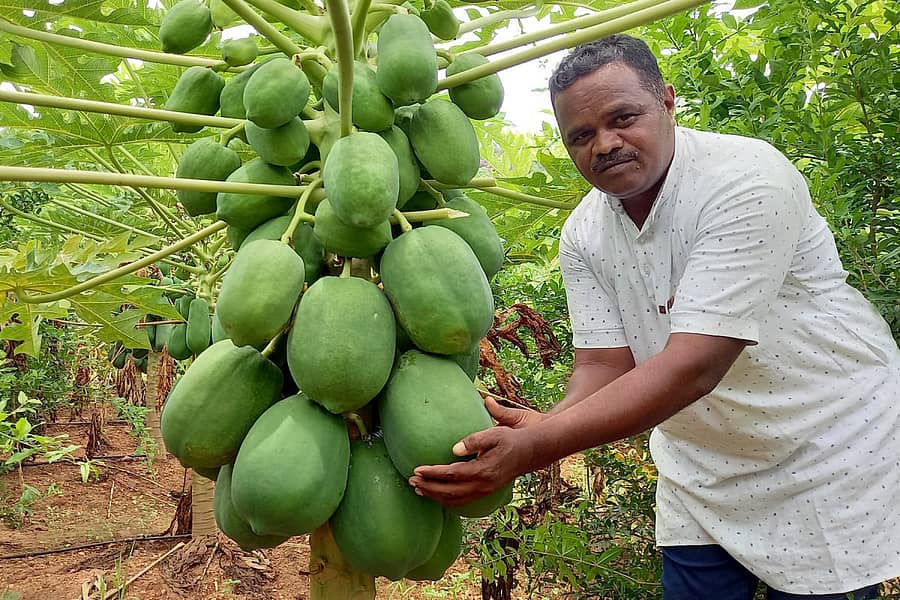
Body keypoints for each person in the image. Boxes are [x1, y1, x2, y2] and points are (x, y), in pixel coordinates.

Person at [409, 33, 900, 599]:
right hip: (703, 462)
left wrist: (538, 449)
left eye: (624, 118)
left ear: (667, 102)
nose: (605, 144)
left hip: (823, 445)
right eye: (581, 136)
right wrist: (548, 423)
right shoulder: (584, 231)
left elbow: (695, 365)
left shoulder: (746, 180)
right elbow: (603, 362)